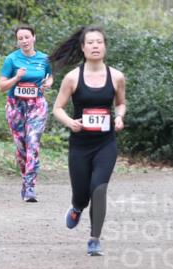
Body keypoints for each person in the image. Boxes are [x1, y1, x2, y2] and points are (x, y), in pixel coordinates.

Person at [50, 25, 126, 256]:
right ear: (83, 48)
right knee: (82, 194)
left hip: (105, 143)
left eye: (99, 42)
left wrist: (120, 117)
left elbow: (120, 103)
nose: (95, 46)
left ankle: (94, 238)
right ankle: (76, 207)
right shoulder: (73, 78)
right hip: (80, 145)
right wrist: (70, 122)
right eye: (90, 42)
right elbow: (57, 108)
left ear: (105, 46)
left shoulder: (116, 77)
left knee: (99, 189)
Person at [0, 25, 53, 202]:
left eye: (27, 37)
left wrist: (48, 84)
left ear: (34, 38)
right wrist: (16, 78)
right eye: (20, 38)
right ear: (17, 41)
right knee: (21, 148)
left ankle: (30, 187)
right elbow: (1, 87)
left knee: (33, 142)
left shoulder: (44, 58)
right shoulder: (11, 59)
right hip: (16, 106)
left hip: (37, 105)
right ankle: (25, 179)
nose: (24, 41)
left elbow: (50, 76)